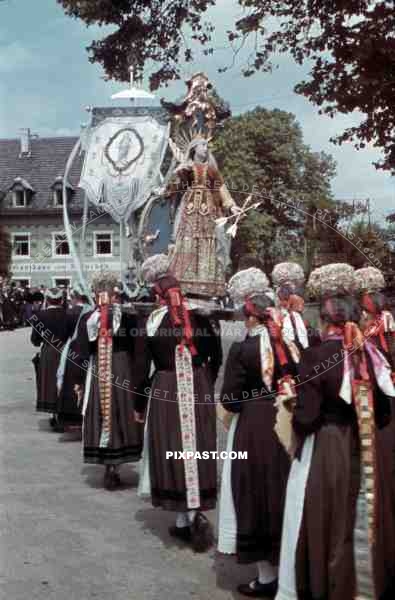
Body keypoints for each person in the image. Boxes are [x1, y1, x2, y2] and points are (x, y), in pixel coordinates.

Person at [276, 263, 395, 600]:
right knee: (361, 516)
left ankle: (326, 586)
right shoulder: (371, 353)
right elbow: (384, 412)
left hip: (328, 448)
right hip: (364, 444)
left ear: (324, 319)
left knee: (326, 519)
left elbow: (306, 417)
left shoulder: (316, 355)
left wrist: (291, 407)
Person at [134, 254, 222, 552]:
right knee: (197, 446)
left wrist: (137, 402)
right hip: (198, 385)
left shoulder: (151, 322)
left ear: (154, 291)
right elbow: (216, 354)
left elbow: (139, 367)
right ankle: (191, 516)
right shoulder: (200, 315)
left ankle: (186, 518)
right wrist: (206, 377)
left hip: (166, 387)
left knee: (173, 446)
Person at [218, 270, 295, 598]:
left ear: (250, 317)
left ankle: (266, 577)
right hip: (285, 422)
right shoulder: (288, 343)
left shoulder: (242, 349)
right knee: (281, 491)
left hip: (252, 426)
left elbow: (231, 399)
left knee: (252, 492)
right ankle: (287, 568)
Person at [77, 272, 145, 491]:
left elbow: (82, 352)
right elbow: (138, 350)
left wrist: (79, 380)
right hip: (122, 368)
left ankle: (110, 466)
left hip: (102, 370)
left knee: (104, 413)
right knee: (117, 413)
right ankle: (114, 466)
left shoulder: (90, 319)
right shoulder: (129, 317)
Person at [165, 137, 240, 298]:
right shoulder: (186, 168)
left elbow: (221, 188)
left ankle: (206, 280)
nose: (206, 148)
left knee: (209, 240)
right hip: (190, 209)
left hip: (209, 208)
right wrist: (177, 172)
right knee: (187, 239)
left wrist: (231, 205)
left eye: (207, 146)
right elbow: (174, 188)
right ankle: (183, 278)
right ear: (194, 149)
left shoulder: (212, 169)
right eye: (203, 145)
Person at [56, 284, 93, 434]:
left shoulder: (70, 313)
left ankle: (70, 416)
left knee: (71, 380)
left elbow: (64, 334)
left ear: (75, 297)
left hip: (73, 348)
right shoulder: (91, 312)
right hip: (86, 349)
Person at [30, 288, 68, 427]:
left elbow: (35, 340)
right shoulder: (67, 315)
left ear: (47, 299)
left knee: (51, 382)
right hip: (65, 351)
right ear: (61, 300)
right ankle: (62, 412)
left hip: (48, 352)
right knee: (63, 383)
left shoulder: (40, 316)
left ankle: (54, 414)